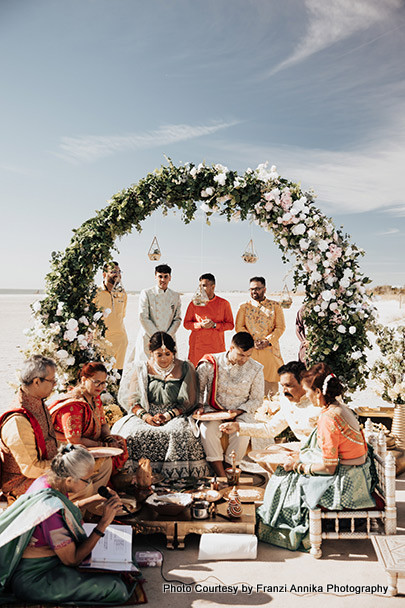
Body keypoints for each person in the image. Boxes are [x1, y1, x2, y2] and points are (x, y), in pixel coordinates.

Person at [256, 363, 378, 551]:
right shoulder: (337, 407)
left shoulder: (329, 417)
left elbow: (329, 468)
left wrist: (298, 467)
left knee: (284, 478)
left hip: (347, 480)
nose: (307, 395)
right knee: (289, 463)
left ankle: (284, 529)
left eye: (308, 391)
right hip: (356, 470)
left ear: (319, 392)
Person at [0, 444, 141, 605]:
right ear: (69, 479)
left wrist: (94, 498)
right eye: (87, 480)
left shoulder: (48, 481)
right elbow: (72, 559)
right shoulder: (50, 509)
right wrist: (103, 524)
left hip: (52, 561)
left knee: (123, 561)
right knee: (116, 588)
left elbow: (65, 509)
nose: (89, 483)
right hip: (36, 578)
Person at [113, 332, 210, 479]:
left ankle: (175, 478)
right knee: (132, 434)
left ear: (174, 352)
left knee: (178, 434)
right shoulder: (141, 369)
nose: (164, 358)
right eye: (159, 354)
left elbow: (188, 401)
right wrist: (146, 417)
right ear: (151, 353)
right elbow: (132, 400)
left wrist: (167, 415)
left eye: (168, 353)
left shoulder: (184, 368)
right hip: (146, 413)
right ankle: (135, 477)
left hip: (176, 414)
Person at [48, 362, 128, 493]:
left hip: (89, 441)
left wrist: (108, 439)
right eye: (97, 382)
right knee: (106, 460)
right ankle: (93, 497)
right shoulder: (74, 405)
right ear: (84, 380)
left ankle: (106, 487)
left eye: (103, 383)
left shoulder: (95, 398)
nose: (101, 387)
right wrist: (105, 446)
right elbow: (75, 440)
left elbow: (103, 423)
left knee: (119, 442)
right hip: (68, 447)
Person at [196, 332, 265, 477]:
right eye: (241, 355)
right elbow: (198, 390)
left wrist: (238, 412)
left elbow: (257, 399)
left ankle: (231, 472)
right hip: (214, 410)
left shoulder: (256, 368)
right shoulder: (211, 362)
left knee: (243, 434)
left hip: (241, 411)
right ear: (231, 347)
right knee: (206, 431)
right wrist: (199, 406)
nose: (245, 360)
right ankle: (221, 475)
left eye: (248, 356)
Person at [0, 355, 59, 504]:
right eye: (52, 381)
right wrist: (66, 467)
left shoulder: (37, 403)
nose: (55, 385)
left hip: (44, 471)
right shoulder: (18, 420)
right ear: (37, 382)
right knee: (81, 484)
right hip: (21, 484)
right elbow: (31, 468)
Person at [220, 361, 320, 444]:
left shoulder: (319, 404)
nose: (284, 391)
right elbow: (271, 429)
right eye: (282, 386)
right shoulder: (286, 402)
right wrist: (238, 426)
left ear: (303, 383)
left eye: (289, 386)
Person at [235, 276, 285, 396]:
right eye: (251, 289)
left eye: (257, 288)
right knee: (248, 387)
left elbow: (280, 327)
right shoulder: (244, 307)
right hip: (250, 351)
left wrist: (267, 341)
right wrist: (252, 341)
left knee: (271, 391)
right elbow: (239, 327)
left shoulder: (275, 306)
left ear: (264, 289)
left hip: (270, 351)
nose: (254, 292)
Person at [183, 273, 234, 366]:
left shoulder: (224, 303)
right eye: (200, 286)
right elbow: (186, 324)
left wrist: (215, 325)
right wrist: (200, 325)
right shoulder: (194, 303)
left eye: (204, 286)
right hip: (197, 348)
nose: (200, 289)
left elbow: (230, 325)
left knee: (214, 376)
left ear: (213, 287)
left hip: (216, 348)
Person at [135, 264, 182, 362]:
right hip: (149, 337)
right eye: (160, 276)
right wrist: (158, 338)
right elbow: (143, 317)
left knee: (168, 368)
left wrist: (167, 336)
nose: (163, 280)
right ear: (155, 276)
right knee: (147, 368)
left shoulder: (175, 296)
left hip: (169, 337)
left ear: (170, 278)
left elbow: (177, 319)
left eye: (166, 277)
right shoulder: (147, 293)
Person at [94, 261, 128, 379]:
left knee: (117, 378)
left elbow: (121, 316)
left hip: (121, 342)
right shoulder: (95, 293)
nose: (117, 274)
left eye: (119, 272)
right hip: (103, 343)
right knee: (102, 379)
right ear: (104, 274)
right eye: (113, 272)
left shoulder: (122, 293)